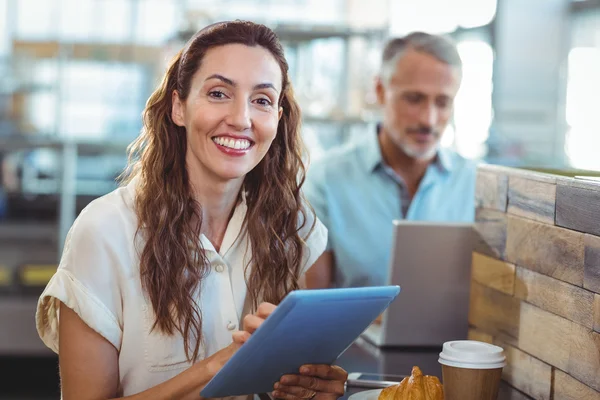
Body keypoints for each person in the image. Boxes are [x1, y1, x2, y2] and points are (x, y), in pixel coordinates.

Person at [35, 21, 347, 400]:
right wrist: (219, 367)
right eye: (218, 93)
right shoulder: (104, 231)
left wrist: (311, 388)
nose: (241, 118)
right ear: (178, 107)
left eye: (262, 100)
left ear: (278, 119)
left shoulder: (297, 226)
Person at [304, 32, 478, 289]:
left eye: (442, 102)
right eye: (414, 99)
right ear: (380, 91)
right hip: (354, 332)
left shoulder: (475, 184)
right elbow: (313, 308)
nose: (428, 120)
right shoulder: (326, 180)